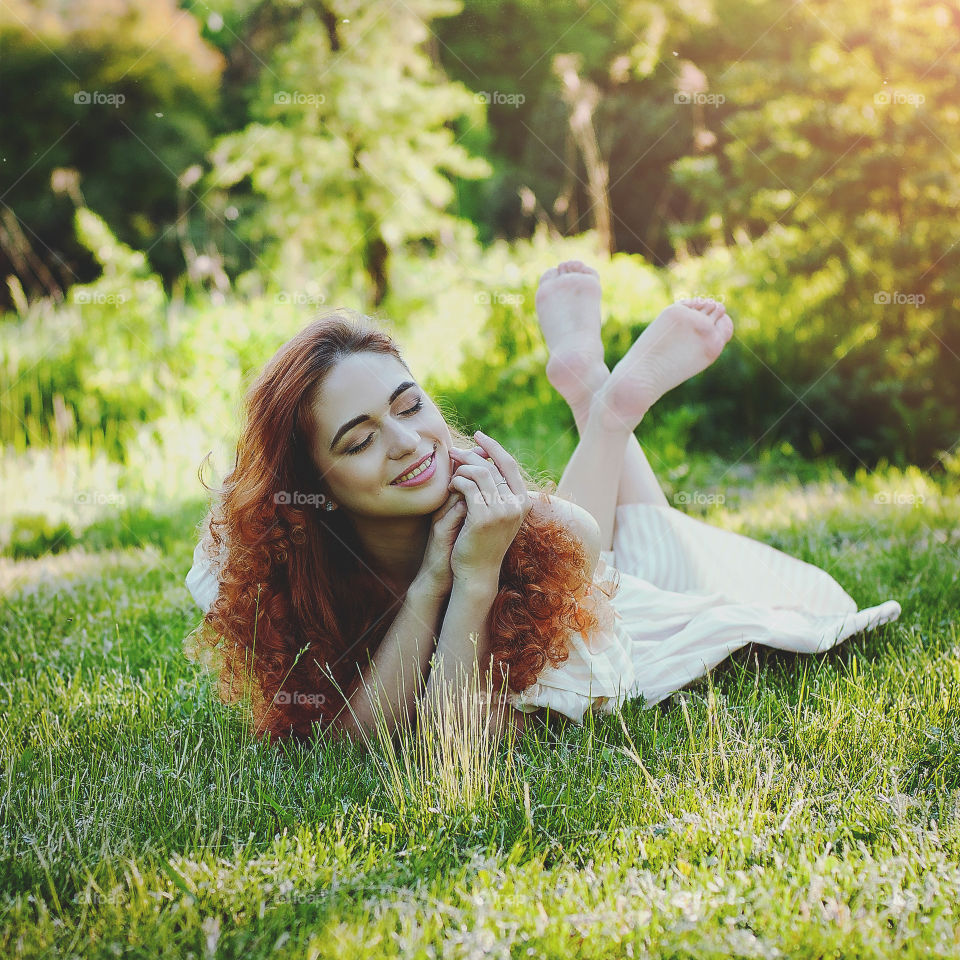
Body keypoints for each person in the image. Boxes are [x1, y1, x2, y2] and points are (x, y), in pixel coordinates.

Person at [184, 260, 901, 748]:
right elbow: (374, 743)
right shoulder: (276, 560)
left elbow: (582, 557)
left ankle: (608, 405)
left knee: (648, 566)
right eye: (358, 440)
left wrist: (489, 560)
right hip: (576, 588)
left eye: (410, 405)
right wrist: (445, 576)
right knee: (650, 550)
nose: (407, 443)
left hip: (586, 616)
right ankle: (597, 395)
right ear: (319, 487)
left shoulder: (481, 493)